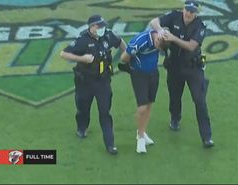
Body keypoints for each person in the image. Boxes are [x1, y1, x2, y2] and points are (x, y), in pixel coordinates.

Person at [149, 0, 214, 148]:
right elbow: (154, 21)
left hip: (193, 68)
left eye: (192, 11)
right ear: (183, 9)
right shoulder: (174, 16)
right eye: (187, 9)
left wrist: (172, 38)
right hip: (175, 65)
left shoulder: (200, 26)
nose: (189, 13)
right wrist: (160, 30)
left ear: (196, 13)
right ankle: (175, 118)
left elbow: (191, 46)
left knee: (199, 101)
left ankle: (207, 136)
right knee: (174, 95)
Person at [60, 14, 126, 155]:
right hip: (85, 82)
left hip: (103, 82)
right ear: (92, 27)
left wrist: (127, 54)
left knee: (105, 112)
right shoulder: (83, 40)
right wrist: (81, 58)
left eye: (103, 25)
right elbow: (64, 54)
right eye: (99, 26)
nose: (103, 28)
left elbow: (120, 42)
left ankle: (110, 144)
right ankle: (82, 127)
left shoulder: (108, 36)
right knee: (83, 108)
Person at [119, 30, 167, 154]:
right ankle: (140, 139)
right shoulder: (140, 41)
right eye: (158, 46)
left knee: (149, 104)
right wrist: (133, 61)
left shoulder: (165, 38)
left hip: (153, 73)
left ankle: (142, 131)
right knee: (142, 108)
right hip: (139, 74)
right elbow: (123, 58)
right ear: (157, 39)